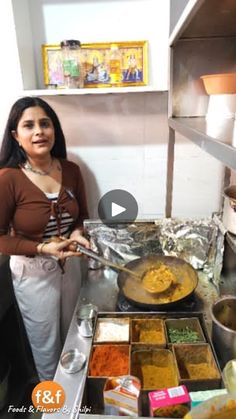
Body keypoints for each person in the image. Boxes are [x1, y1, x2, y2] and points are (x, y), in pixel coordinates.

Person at [0, 96, 90, 381]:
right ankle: (54, 407)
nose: (39, 131)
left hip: (71, 268)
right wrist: (42, 247)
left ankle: (76, 401)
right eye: (29, 125)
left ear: (54, 130)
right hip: (34, 275)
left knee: (75, 339)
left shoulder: (72, 170)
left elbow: (81, 218)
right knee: (47, 349)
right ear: (16, 136)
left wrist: (77, 235)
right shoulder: (8, 178)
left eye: (45, 123)